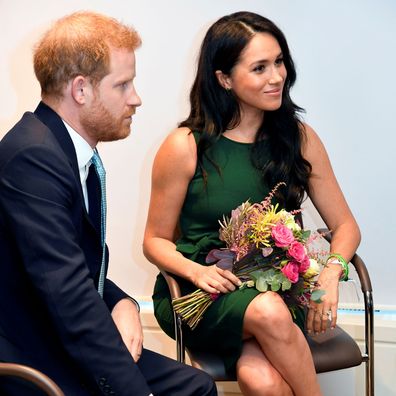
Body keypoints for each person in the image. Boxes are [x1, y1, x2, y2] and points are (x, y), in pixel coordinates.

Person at [143, 11, 361, 396]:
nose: (277, 76)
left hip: (278, 287)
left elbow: (346, 226)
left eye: (279, 62)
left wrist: (330, 275)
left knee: (262, 381)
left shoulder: (299, 138)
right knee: (267, 311)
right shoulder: (185, 146)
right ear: (224, 79)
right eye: (259, 67)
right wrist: (195, 272)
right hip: (206, 291)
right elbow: (155, 240)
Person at [0, 11, 217, 396]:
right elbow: (67, 294)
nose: (136, 98)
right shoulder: (32, 158)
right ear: (80, 89)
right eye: (123, 85)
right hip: (33, 355)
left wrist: (124, 302)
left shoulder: (64, 150)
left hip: (60, 337)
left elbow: (76, 265)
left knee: (197, 387)